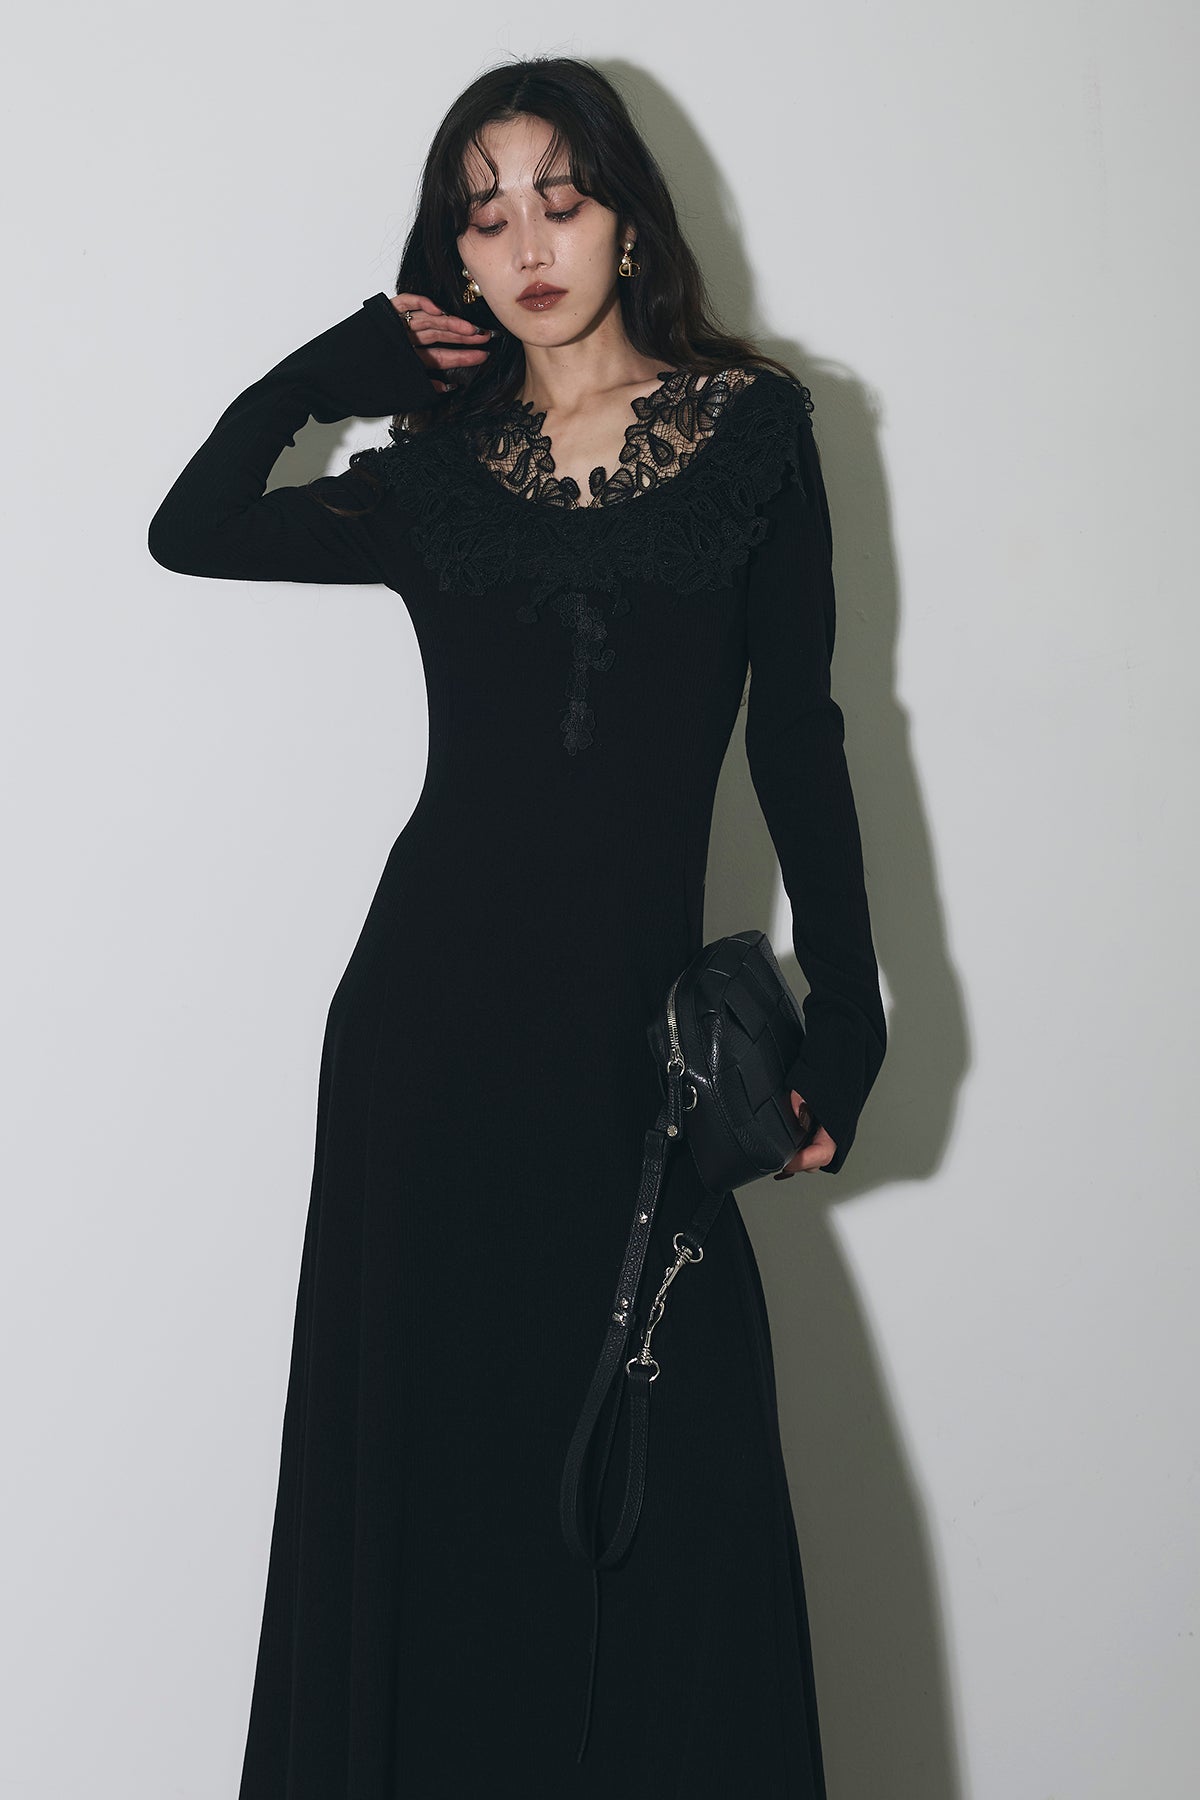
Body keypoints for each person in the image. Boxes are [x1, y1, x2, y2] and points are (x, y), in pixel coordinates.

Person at [148, 53, 886, 1800]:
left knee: (678, 1489)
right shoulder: (436, 476)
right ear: (454, 258)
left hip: (634, 1052)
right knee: (441, 1487)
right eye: (485, 215)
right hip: (425, 1043)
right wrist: (324, 375)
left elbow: (802, 735)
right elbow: (191, 530)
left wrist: (849, 1016)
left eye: (561, 196)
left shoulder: (754, 434)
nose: (528, 242)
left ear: (628, 217)